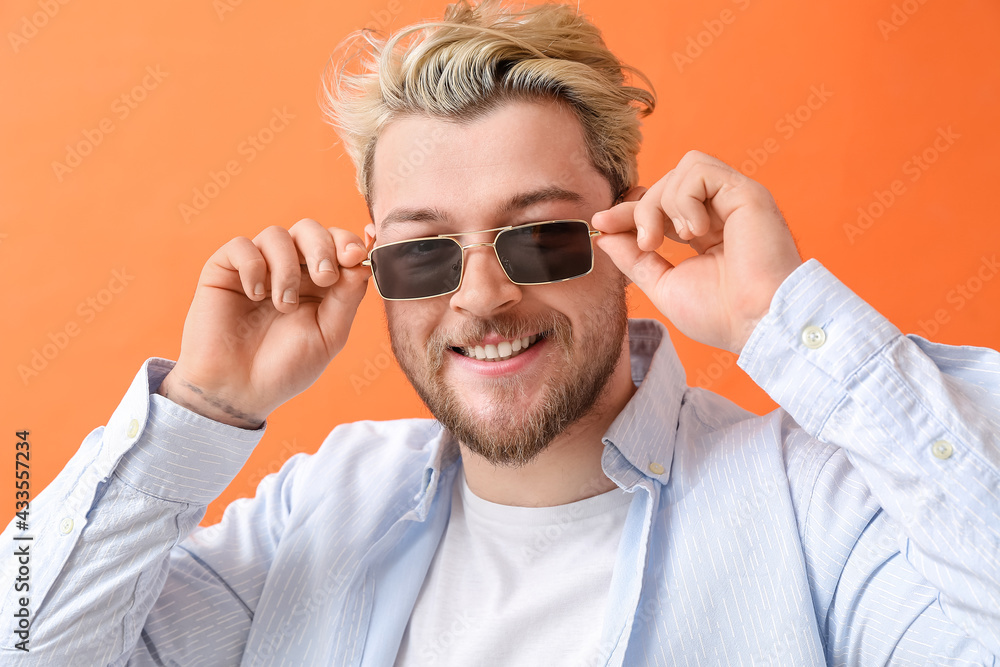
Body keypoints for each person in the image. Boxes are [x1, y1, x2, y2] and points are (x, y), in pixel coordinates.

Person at [2, 1, 998, 664]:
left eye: (540, 238)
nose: (479, 299)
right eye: (422, 251)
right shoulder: (322, 506)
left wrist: (792, 321)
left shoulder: (813, 509)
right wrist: (198, 414)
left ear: (626, 231)